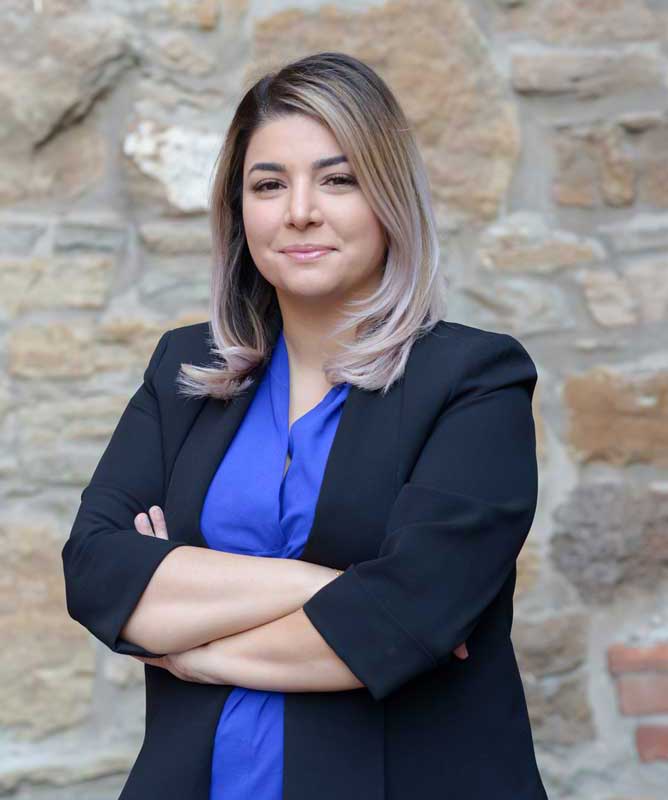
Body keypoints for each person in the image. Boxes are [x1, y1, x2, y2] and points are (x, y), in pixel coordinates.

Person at [62, 51, 548, 800]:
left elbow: (399, 627)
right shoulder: (184, 370)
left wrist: (192, 643)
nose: (299, 211)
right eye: (268, 185)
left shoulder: (475, 382)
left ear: (388, 197)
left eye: (337, 179)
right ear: (239, 209)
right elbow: (96, 573)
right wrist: (344, 589)